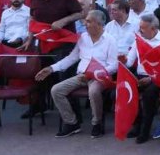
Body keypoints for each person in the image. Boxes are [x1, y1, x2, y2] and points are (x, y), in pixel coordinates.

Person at [35, 10, 118, 138]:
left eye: (89, 21)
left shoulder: (110, 40)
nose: (85, 23)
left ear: (99, 24)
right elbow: (71, 58)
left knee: (94, 92)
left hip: (100, 77)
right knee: (56, 90)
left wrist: (95, 73)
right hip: (82, 75)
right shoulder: (83, 38)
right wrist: (51, 68)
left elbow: (114, 65)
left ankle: (97, 123)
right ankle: (71, 123)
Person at [124, 13, 160, 144]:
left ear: (153, 28)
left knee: (148, 94)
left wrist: (151, 78)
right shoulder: (139, 40)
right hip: (141, 76)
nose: (140, 30)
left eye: (142, 28)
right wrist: (122, 59)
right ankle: (136, 124)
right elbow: (129, 62)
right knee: (126, 89)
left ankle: (145, 129)